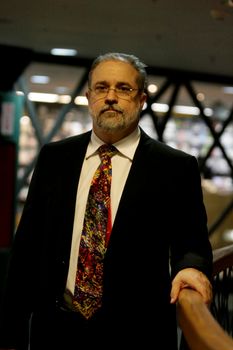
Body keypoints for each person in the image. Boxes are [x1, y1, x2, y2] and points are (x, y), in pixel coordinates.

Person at [0, 52, 213, 350]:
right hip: (56, 330)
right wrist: (11, 333)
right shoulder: (55, 157)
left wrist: (190, 268)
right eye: (102, 88)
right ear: (89, 97)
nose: (111, 97)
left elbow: (192, 243)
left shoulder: (175, 167)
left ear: (141, 100)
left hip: (136, 335)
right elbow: (27, 247)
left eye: (123, 88)